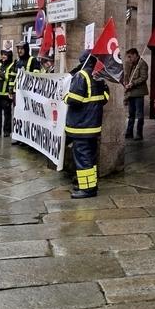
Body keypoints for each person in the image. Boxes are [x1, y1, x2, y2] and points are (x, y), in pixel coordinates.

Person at [64, 50, 110, 199]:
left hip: (81, 126)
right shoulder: (98, 77)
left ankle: (87, 190)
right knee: (90, 157)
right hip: (93, 125)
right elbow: (105, 97)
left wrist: (65, 96)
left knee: (83, 158)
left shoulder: (81, 76)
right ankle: (89, 184)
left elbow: (74, 99)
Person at [123, 48, 148, 140]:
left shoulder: (142, 64)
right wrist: (126, 83)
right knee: (131, 114)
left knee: (139, 114)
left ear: (135, 55)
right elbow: (127, 76)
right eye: (128, 57)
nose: (129, 59)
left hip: (139, 92)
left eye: (130, 57)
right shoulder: (130, 64)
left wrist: (133, 83)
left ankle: (139, 133)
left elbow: (144, 77)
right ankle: (129, 132)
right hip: (131, 92)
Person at [0, 49, 15, 137]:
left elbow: (10, 77)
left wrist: (0, 74)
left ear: (9, 56)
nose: (3, 56)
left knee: (7, 115)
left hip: (5, 95)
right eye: (2, 54)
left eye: (5, 55)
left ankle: (7, 131)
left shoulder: (12, 65)